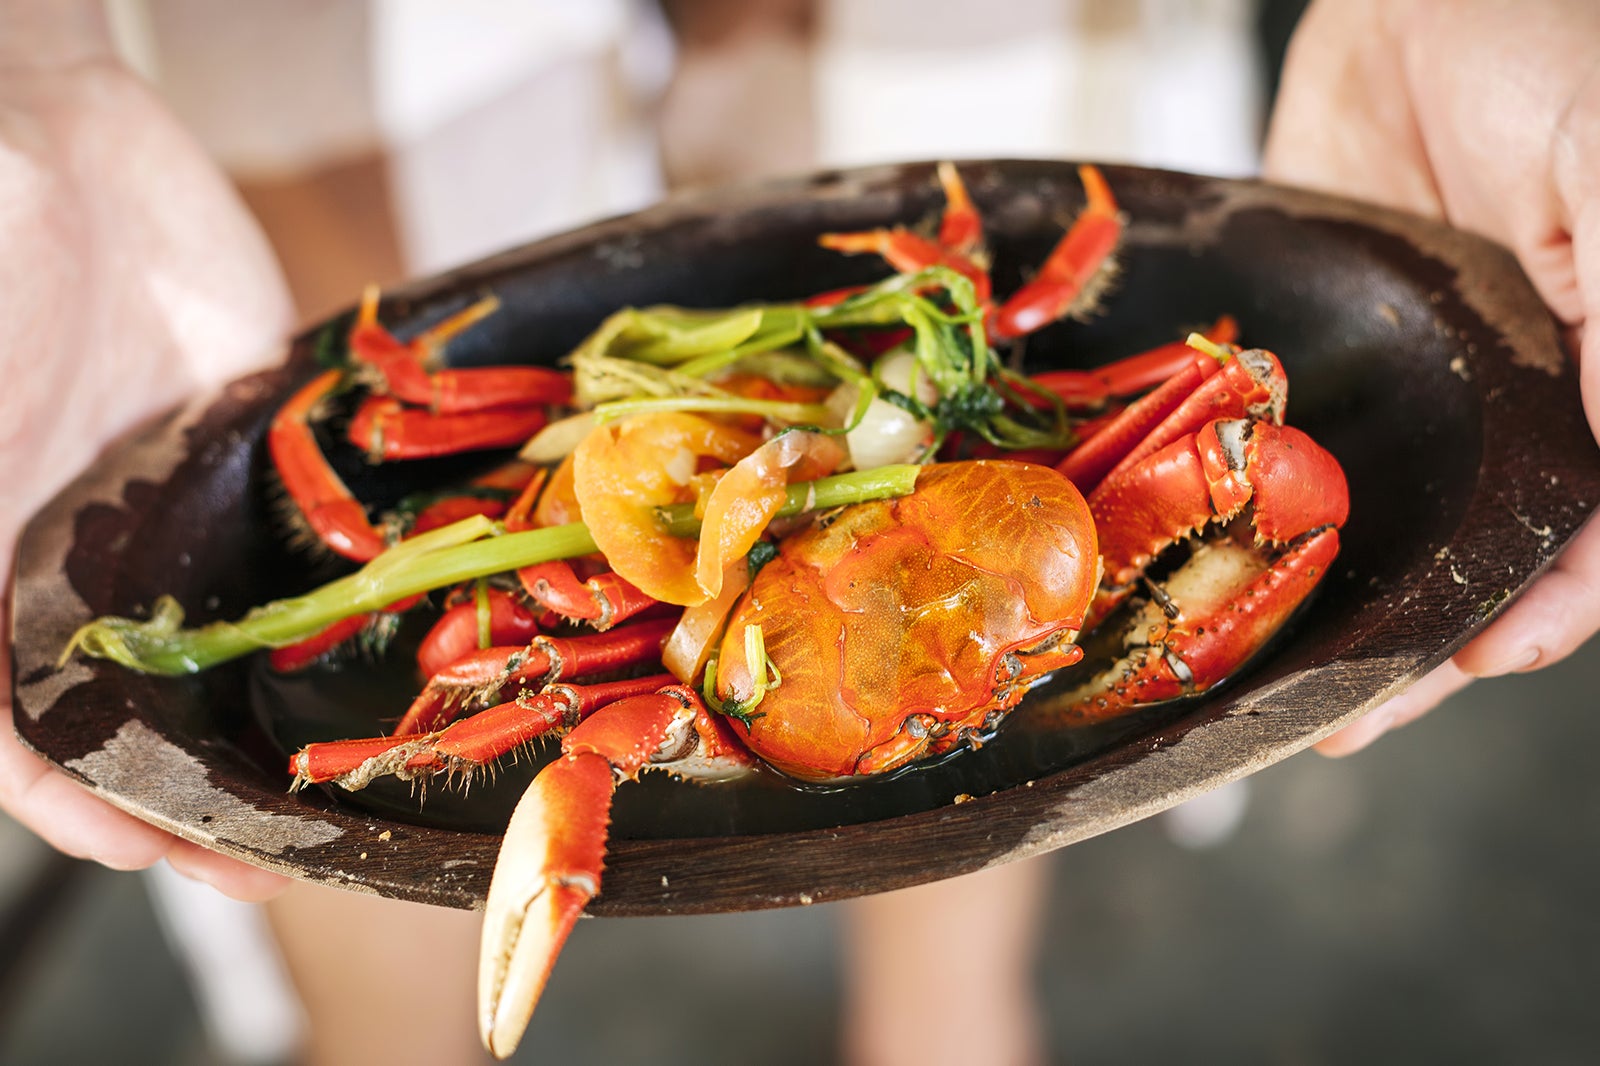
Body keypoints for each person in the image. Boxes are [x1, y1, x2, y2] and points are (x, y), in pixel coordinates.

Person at [3, 1, 1597, 1064]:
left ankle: (947, 1020)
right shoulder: (629, 621)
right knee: (370, 205)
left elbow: (1271, 451)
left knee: (986, 97)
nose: (977, 695)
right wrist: (38, 86)